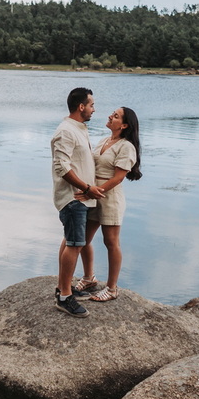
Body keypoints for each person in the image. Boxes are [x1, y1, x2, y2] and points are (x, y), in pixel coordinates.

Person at [74, 106, 142, 302]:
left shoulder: (126, 146)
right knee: (83, 240)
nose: (110, 116)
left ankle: (112, 289)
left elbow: (119, 178)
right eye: (112, 113)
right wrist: (87, 189)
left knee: (111, 242)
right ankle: (89, 278)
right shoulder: (104, 140)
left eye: (116, 116)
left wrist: (92, 192)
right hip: (93, 193)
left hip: (109, 197)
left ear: (124, 124)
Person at [51, 87, 105, 318]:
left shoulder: (78, 129)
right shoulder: (66, 131)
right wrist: (85, 187)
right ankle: (64, 297)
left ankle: (63, 287)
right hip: (74, 197)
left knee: (70, 241)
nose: (94, 109)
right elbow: (61, 167)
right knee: (74, 244)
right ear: (81, 106)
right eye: (91, 104)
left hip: (80, 197)